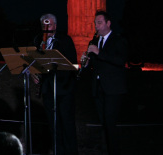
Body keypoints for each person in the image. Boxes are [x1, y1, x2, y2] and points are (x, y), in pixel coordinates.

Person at [33, 13, 78, 155]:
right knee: (53, 126)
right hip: (47, 90)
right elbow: (36, 63)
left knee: (67, 125)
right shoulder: (39, 41)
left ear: (55, 26)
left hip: (64, 89)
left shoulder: (65, 40)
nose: (47, 28)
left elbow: (72, 63)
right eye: (44, 25)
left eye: (49, 25)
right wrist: (34, 73)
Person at [86, 10, 128, 155]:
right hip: (98, 88)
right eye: (95, 23)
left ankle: (114, 151)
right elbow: (95, 64)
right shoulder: (96, 41)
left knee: (110, 124)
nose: (96, 26)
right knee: (103, 123)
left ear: (108, 23)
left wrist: (98, 53)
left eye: (99, 23)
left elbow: (120, 61)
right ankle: (105, 150)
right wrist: (86, 61)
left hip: (113, 88)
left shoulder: (118, 39)